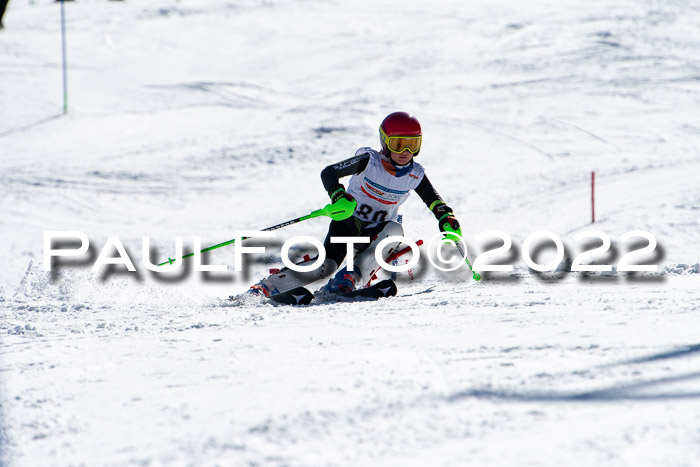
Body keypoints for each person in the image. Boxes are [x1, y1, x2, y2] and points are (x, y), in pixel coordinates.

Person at [249, 111, 462, 297]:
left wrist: (446, 218)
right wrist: (338, 196)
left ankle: (347, 281)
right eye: (399, 143)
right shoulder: (369, 162)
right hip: (348, 223)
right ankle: (268, 287)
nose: (405, 151)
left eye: (412, 144)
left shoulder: (415, 174)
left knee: (395, 229)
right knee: (326, 266)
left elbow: (436, 202)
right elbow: (329, 173)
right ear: (385, 142)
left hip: (378, 231)